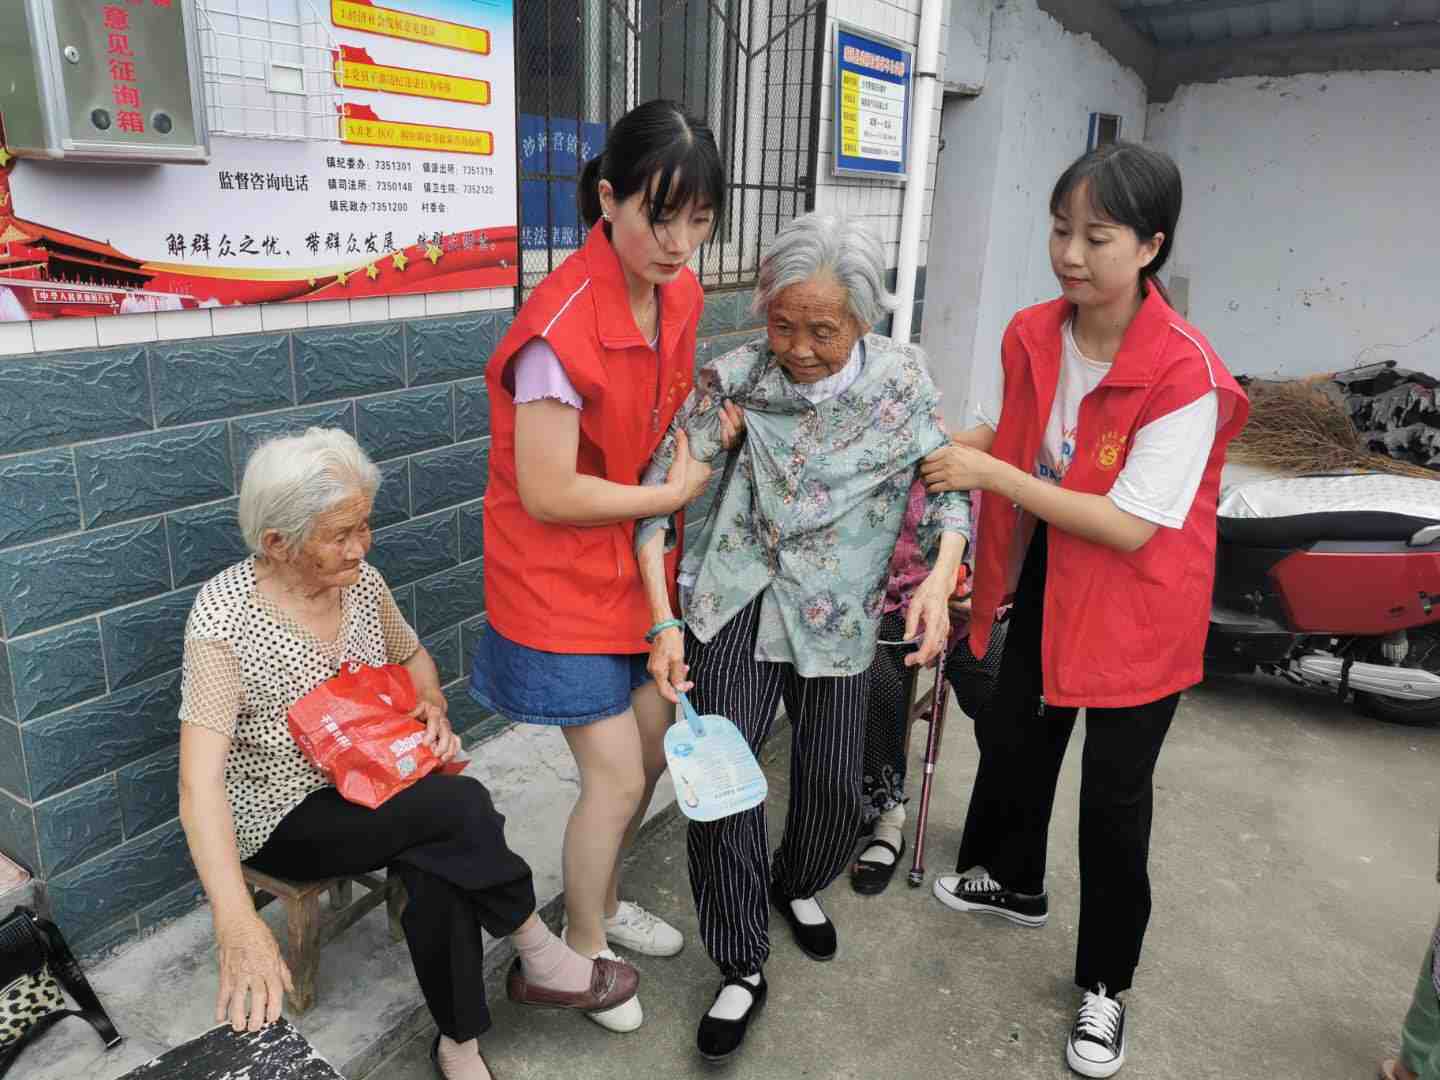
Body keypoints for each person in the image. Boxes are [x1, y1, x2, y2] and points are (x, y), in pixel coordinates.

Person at [920, 141, 1250, 1078]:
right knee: (1020, 738)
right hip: (1052, 578)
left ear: (1150, 246)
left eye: (1096, 238)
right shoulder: (1035, 332)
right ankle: (1016, 882)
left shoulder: (1184, 374)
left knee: (1113, 799)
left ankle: (1106, 984)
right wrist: (922, 443)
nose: (1070, 254)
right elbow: (1012, 431)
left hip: (1141, 606)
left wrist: (991, 475)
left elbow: (1128, 525)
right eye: (1060, 230)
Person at [177, 428, 636, 1080]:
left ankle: (460, 1043)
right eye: (341, 534)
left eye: (364, 525)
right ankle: (537, 951)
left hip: (379, 774)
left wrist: (432, 710)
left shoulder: (360, 583)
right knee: (458, 807)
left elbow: (415, 659)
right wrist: (236, 923)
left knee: (436, 853)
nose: (361, 546)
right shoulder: (225, 619)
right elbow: (198, 785)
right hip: (285, 813)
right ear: (277, 543)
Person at [635, 212, 972, 1062]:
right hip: (735, 603)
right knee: (722, 786)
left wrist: (940, 577)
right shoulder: (736, 378)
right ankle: (741, 962)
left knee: (830, 784)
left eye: (824, 330)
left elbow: (948, 492)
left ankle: (795, 882)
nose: (800, 348)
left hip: (838, 616)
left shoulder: (900, 382)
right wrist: (665, 620)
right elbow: (654, 503)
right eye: (783, 324)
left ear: (863, 316)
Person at [467, 99, 725, 1034]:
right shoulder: (556, 331)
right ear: (607, 199)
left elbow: (666, 424)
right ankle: (579, 956)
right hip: (554, 578)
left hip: (631, 565)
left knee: (653, 751)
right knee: (615, 775)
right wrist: (671, 494)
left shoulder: (679, 295)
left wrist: (663, 587)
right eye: (660, 216)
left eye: (699, 220)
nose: (679, 243)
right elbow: (547, 492)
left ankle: (604, 901)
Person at [849, 482, 1005, 896]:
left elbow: (1010, 547)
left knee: (1005, 690)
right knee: (876, 682)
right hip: (888, 603)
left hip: (968, 606)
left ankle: (1003, 823)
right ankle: (886, 817)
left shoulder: (985, 468)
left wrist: (983, 588)